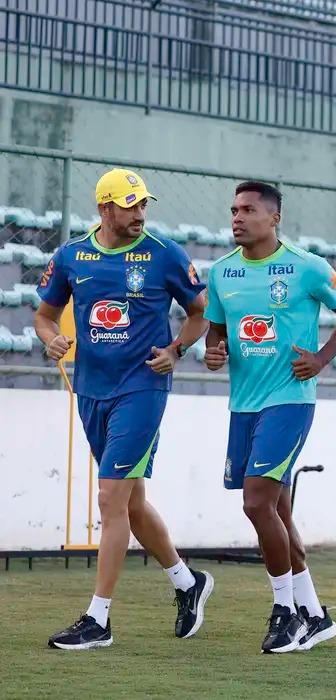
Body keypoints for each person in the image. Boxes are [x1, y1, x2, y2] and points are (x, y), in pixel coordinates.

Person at [37, 169, 214, 650]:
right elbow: (44, 314)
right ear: (105, 209)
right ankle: (187, 583)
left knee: (110, 499)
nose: (140, 214)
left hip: (142, 390)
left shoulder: (163, 254)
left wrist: (176, 349)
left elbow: (202, 310)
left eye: (143, 205)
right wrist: (52, 340)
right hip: (92, 391)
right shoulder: (71, 256)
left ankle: (98, 620)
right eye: (130, 205)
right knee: (131, 504)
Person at [203, 181, 336, 653]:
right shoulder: (222, 273)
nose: (237, 217)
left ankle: (285, 612)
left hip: (290, 399)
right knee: (277, 511)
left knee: (256, 504)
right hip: (244, 405)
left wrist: (320, 358)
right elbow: (216, 329)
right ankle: (315, 614)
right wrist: (215, 351)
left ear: (274, 218)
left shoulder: (306, 267)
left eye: (248, 209)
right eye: (233, 209)